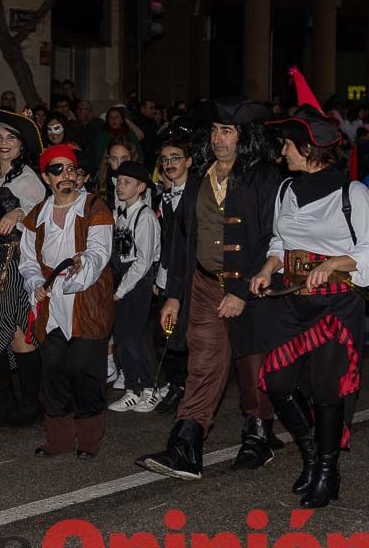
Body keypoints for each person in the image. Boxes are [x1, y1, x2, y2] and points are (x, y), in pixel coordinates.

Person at [137, 98, 283, 482]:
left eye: (228, 131)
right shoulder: (200, 175)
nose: (219, 139)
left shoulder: (265, 177)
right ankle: (186, 446)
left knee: (252, 365)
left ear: (245, 136)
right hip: (202, 283)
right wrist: (174, 293)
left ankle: (259, 433)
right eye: (216, 130)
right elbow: (184, 239)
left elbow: (275, 238)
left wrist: (241, 290)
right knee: (203, 363)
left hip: (251, 285)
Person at [252, 108, 369, 509]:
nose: (282, 155)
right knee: (276, 381)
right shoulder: (285, 190)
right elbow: (280, 240)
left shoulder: (353, 194)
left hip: (335, 306)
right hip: (292, 301)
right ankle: (312, 456)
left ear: (308, 149)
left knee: (328, 390)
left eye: (288, 147)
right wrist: (268, 267)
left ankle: (327, 473)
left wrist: (333, 263)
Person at [20, 145, 114, 459]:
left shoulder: (94, 207)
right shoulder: (37, 215)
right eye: (57, 170)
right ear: (47, 177)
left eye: (70, 169)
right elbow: (28, 260)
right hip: (50, 301)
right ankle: (59, 439)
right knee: (54, 368)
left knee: (86, 368)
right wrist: (36, 283)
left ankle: (89, 438)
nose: (66, 176)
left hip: (87, 299)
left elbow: (99, 251)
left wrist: (80, 268)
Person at [0, 110, 46, 425]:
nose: (4, 143)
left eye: (11, 138)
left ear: (21, 145)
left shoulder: (29, 179)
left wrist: (18, 212)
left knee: (15, 333)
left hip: (16, 262)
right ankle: (8, 402)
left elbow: (39, 212)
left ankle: (28, 404)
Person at [106, 161, 162, 412]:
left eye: (127, 182)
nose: (121, 186)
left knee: (135, 337)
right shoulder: (120, 215)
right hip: (123, 276)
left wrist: (120, 290)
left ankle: (150, 388)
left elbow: (143, 261)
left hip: (137, 280)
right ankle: (132, 387)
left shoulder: (145, 216)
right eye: (119, 181)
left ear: (141, 187)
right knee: (122, 337)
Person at [152, 134, 193, 414]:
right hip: (170, 274)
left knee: (188, 335)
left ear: (189, 161)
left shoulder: (198, 195)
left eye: (175, 158)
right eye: (165, 160)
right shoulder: (165, 198)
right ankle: (177, 384)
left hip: (193, 277)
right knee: (167, 333)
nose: (169, 164)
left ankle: (188, 388)